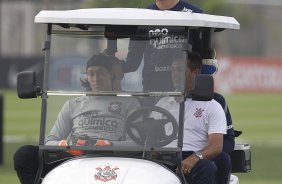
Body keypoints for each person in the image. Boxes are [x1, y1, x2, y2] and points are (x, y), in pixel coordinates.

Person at [13, 53, 140, 184]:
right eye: (91, 74)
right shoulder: (73, 104)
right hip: (74, 155)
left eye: (100, 73)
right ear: (87, 77)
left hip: (108, 155)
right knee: (24, 154)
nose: (96, 78)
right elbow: (50, 141)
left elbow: (137, 144)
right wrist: (65, 145)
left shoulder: (129, 104)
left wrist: (107, 145)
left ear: (111, 75)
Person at [154, 52, 230, 184]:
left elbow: (216, 145)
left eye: (180, 70)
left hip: (194, 156)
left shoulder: (212, 106)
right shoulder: (162, 103)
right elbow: (151, 137)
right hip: (164, 157)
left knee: (207, 168)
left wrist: (195, 158)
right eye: (173, 71)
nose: (175, 75)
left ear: (195, 73)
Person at [111, 0, 203, 93]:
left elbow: (202, 57)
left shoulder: (194, 14)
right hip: (151, 94)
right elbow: (132, 63)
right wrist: (109, 65)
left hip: (185, 94)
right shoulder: (142, 17)